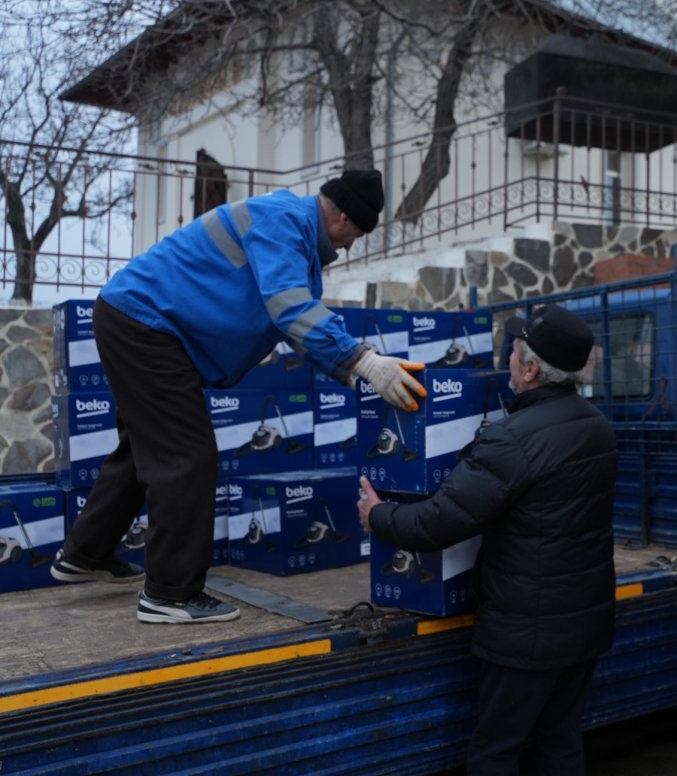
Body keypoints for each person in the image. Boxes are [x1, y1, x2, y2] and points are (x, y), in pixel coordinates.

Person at [51, 169, 427, 624]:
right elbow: (291, 309)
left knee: (145, 448)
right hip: (146, 325)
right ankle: (170, 595)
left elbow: (297, 327)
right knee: (186, 456)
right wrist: (364, 360)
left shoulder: (294, 235)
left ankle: (85, 553)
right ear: (343, 218)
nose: (349, 248)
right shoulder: (284, 221)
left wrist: (351, 367)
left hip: (141, 322)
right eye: (356, 235)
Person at [358, 303, 618, 776]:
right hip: (585, 622)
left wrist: (378, 516)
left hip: (528, 632)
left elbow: (440, 522)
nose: (510, 365)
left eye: (515, 355)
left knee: (495, 751)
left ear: (532, 369)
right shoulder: (595, 426)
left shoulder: (513, 439)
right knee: (559, 741)